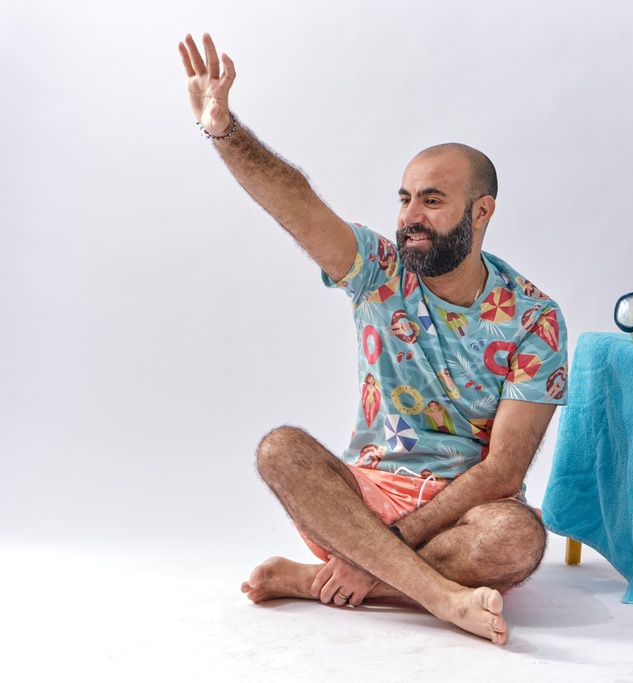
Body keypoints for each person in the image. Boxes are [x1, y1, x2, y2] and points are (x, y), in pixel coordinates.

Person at [177, 33, 569, 646]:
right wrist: (224, 131)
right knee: (280, 450)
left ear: (481, 212)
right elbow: (297, 202)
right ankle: (439, 597)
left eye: (433, 200)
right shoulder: (377, 271)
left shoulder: (534, 319)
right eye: (405, 199)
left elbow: (501, 471)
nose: (410, 216)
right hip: (360, 504)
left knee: (517, 538)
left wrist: (380, 552)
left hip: (458, 518)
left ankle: (320, 582)